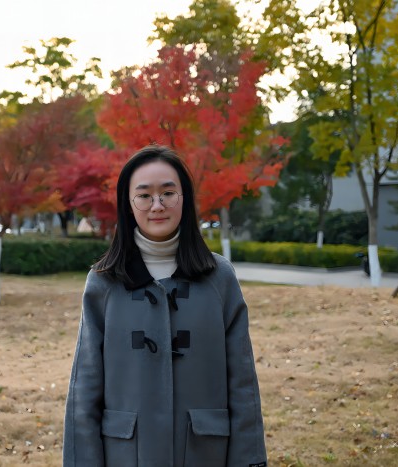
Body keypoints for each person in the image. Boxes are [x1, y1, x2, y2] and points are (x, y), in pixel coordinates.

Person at [63, 145, 267, 467]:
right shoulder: (104, 283)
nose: (157, 205)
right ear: (128, 204)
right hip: (125, 455)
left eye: (168, 193)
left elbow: (243, 385)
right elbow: (85, 390)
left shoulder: (219, 278)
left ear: (184, 198)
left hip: (205, 454)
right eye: (144, 196)